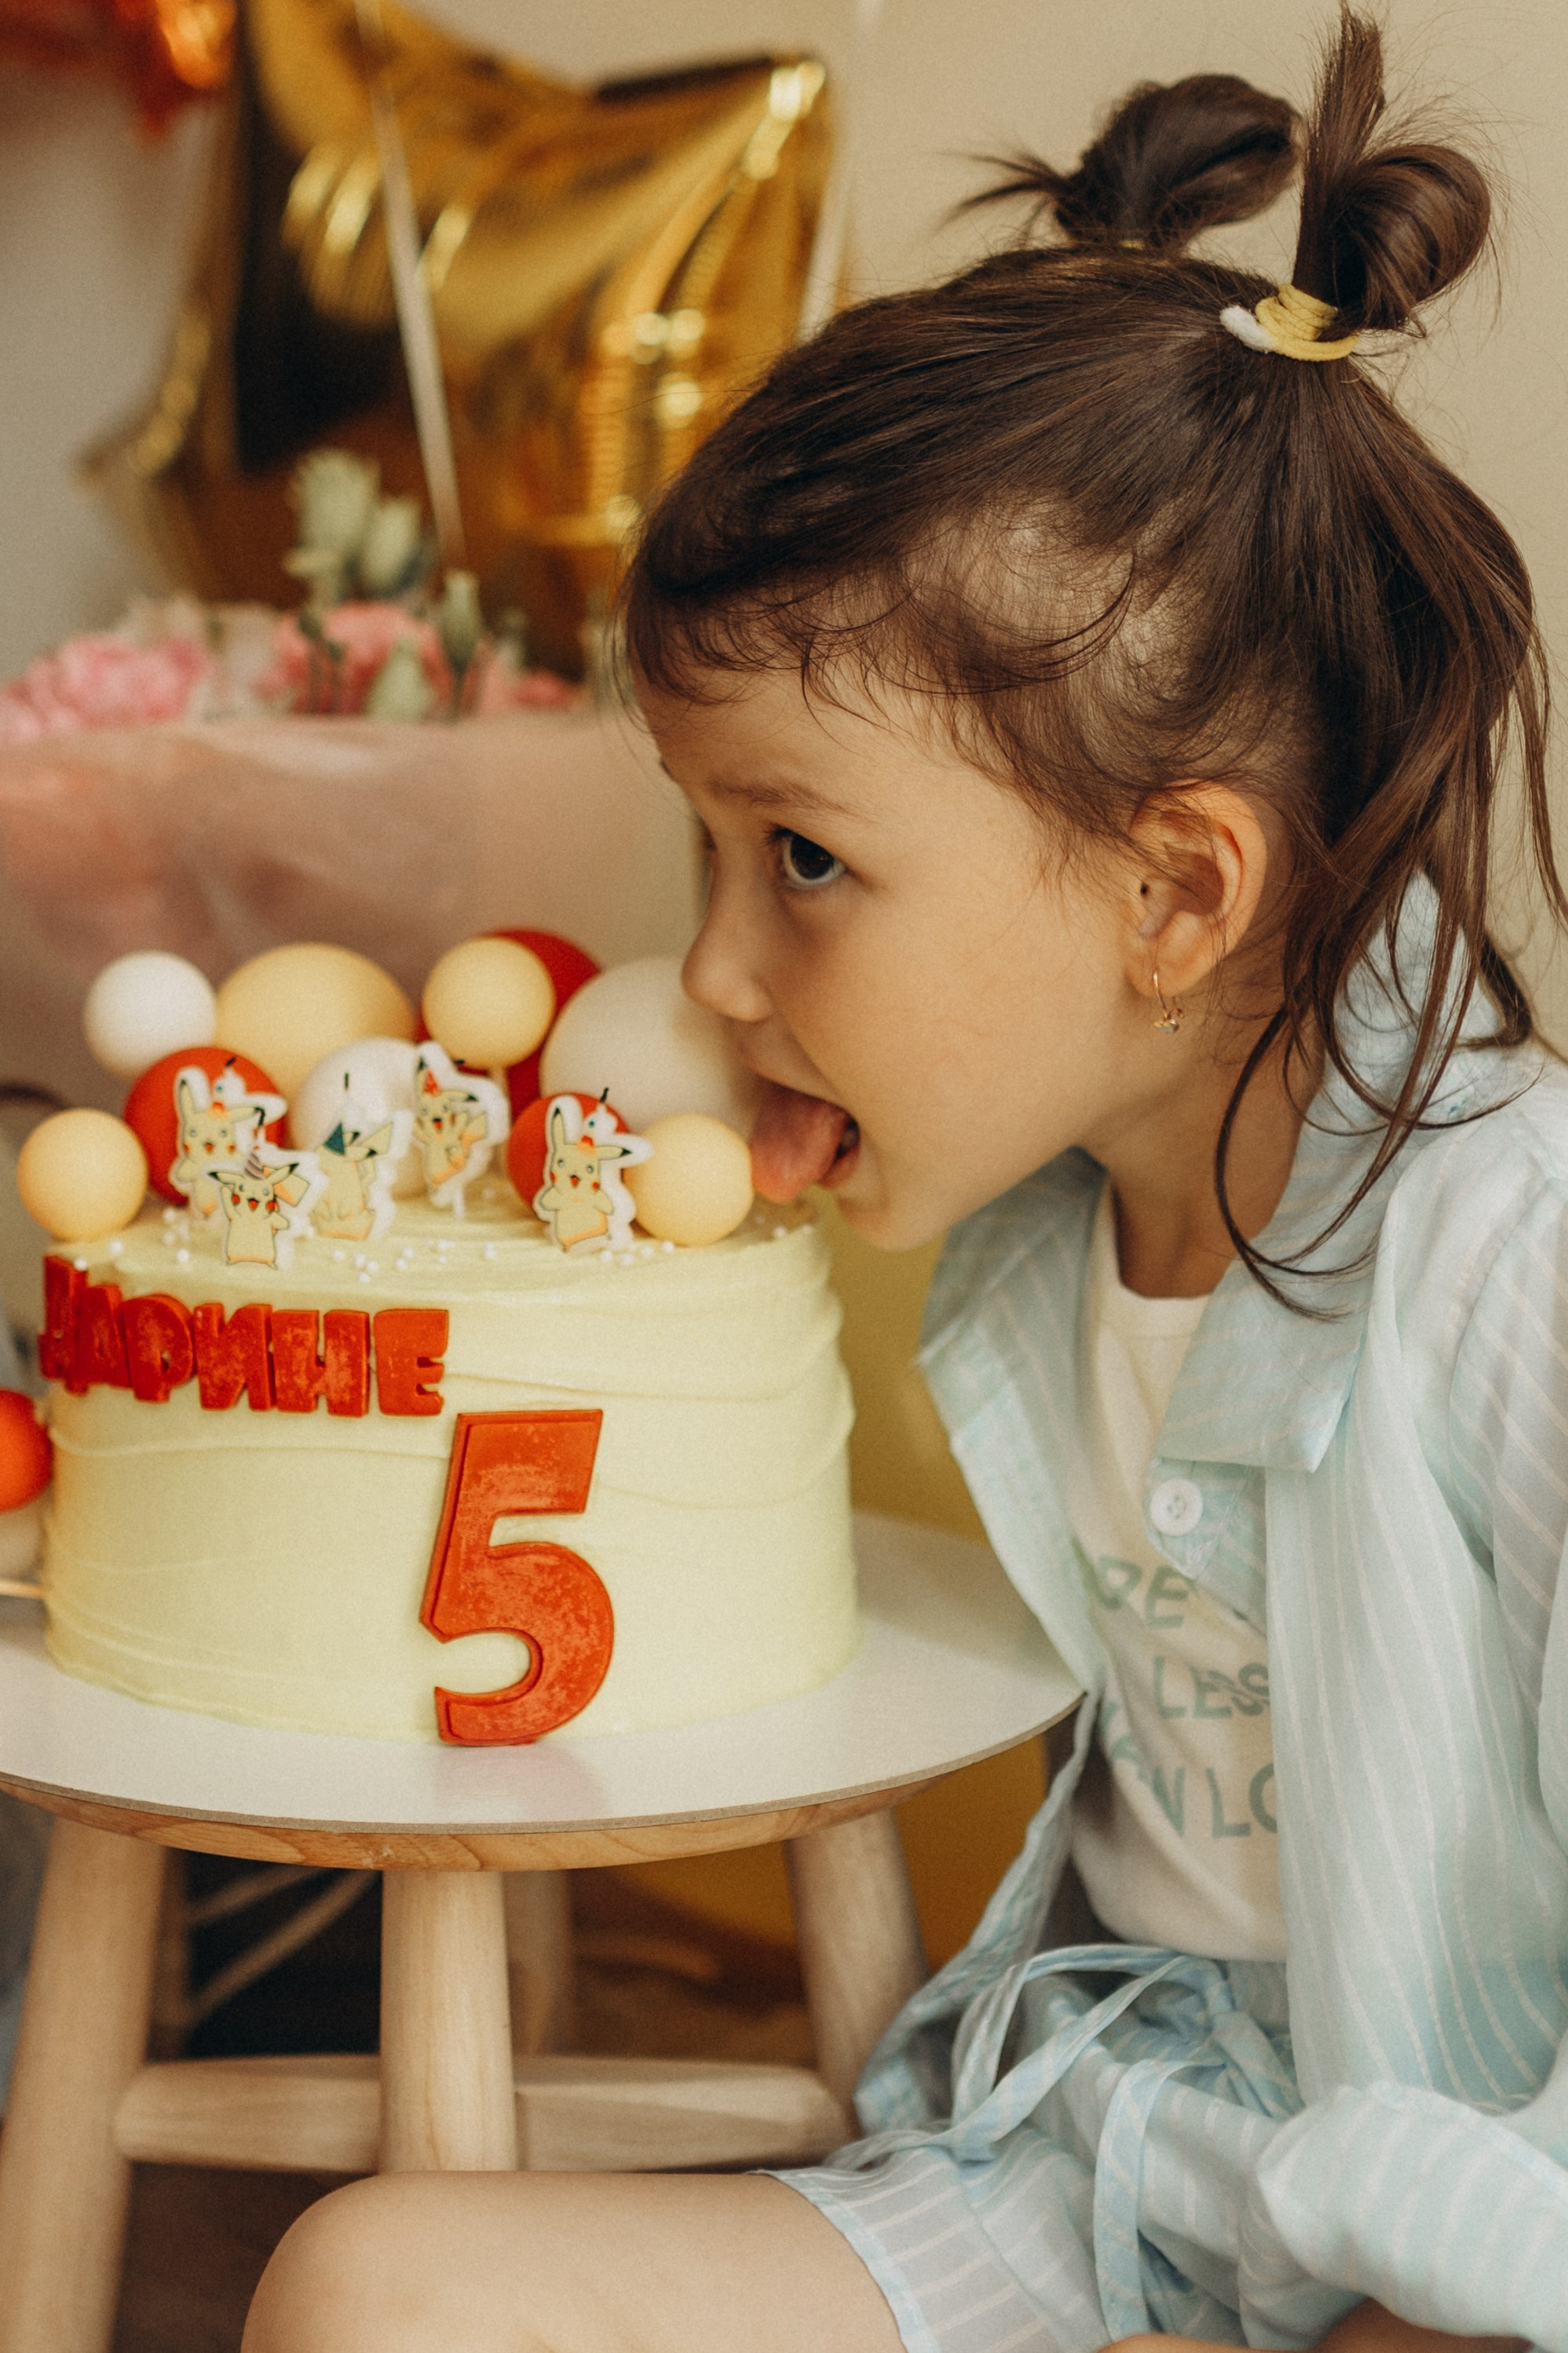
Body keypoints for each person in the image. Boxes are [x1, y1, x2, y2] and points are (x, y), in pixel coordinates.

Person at [243, 14, 1568, 2351]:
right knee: (374, 2280)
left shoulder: (1514, 1270)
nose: (722, 971)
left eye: (806, 860)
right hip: (1112, 2160)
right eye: (708, 848)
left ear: (1174, 893)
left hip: (1467, 2249)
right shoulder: (1039, 1238)